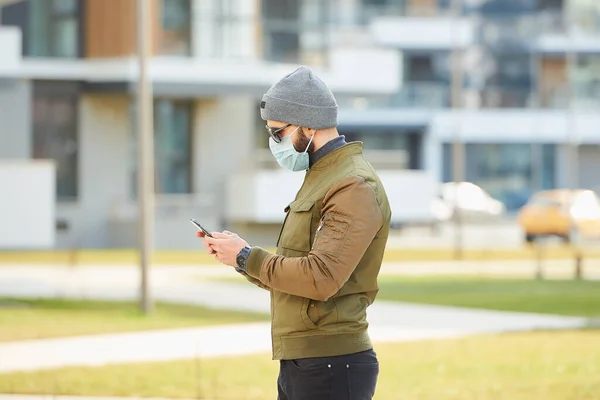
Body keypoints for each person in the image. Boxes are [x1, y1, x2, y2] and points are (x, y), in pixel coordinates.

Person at [199, 66, 391, 400]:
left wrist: (247, 257)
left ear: (308, 124)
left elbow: (321, 277)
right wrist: (240, 257)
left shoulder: (352, 184)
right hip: (306, 360)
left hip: (331, 363)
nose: (274, 143)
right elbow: (295, 272)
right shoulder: (322, 176)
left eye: (277, 133)